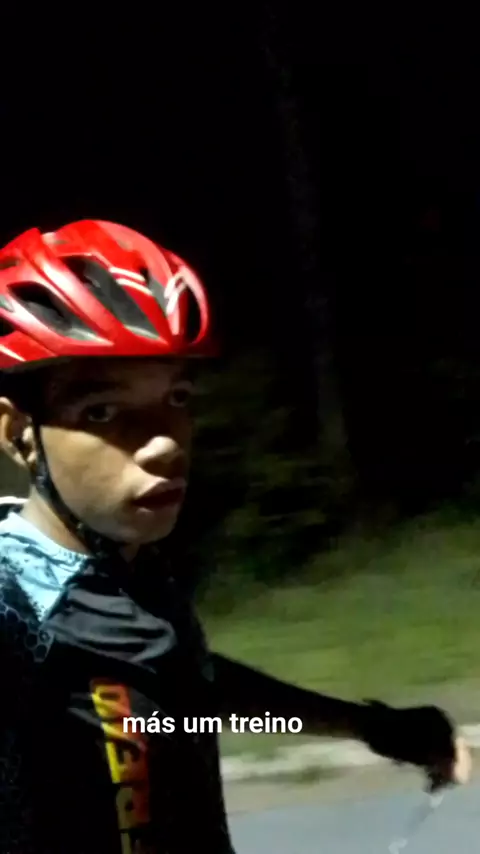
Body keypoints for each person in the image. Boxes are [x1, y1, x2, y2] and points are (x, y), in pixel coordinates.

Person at [0, 219, 470, 854]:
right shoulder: (15, 606)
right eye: (102, 412)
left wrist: (367, 726)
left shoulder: (127, 572)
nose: (164, 444)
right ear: (19, 435)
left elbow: (186, 696)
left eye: (177, 398)